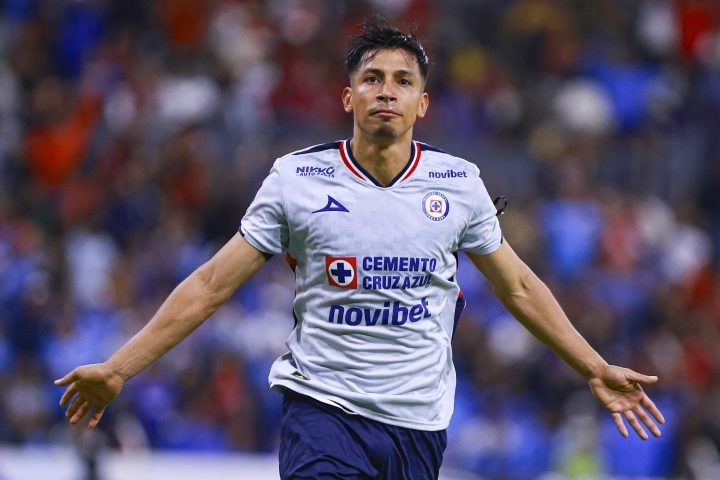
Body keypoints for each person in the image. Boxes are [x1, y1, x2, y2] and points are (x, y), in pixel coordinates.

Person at [55, 17, 666, 479]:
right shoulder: (297, 180)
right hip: (322, 411)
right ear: (348, 97)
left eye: (403, 82)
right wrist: (119, 368)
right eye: (371, 79)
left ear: (423, 104)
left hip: (416, 424)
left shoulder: (459, 184)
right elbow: (213, 284)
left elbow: (521, 287)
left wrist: (594, 367)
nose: (386, 92)